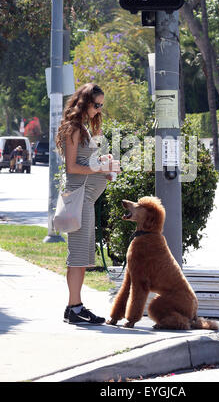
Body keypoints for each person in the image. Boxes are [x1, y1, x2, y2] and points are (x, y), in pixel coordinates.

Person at [56, 83, 121, 325]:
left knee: (83, 258)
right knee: (78, 258)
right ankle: (74, 308)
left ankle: (75, 306)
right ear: (84, 102)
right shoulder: (73, 128)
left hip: (87, 200)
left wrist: (102, 162)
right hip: (79, 199)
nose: (98, 109)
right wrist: (100, 167)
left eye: (101, 105)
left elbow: (86, 162)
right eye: (96, 105)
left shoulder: (81, 128)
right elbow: (73, 168)